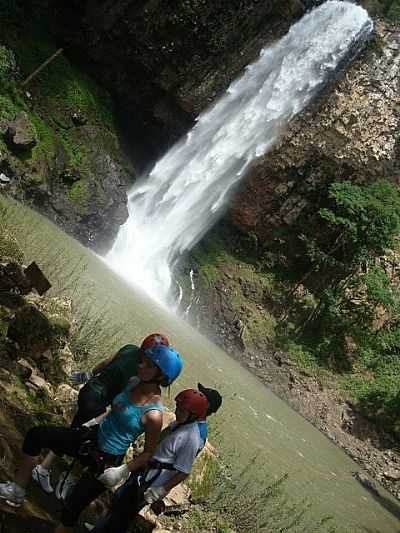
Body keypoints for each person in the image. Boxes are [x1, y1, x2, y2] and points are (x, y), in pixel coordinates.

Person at [0, 345, 183, 533]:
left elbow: (148, 453)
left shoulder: (154, 414)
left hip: (107, 461)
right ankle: (16, 491)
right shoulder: (133, 381)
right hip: (92, 437)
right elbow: (114, 410)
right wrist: (92, 422)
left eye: (149, 365)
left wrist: (122, 470)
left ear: (161, 376)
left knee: (70, 512)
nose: (141, 365)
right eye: (144, 361)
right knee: (36, 435)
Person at [32, 333, 169, 496]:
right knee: (81, 440)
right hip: (96, 402)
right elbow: (125, 398)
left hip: (89, 390)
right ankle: (49, 471)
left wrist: (86, 375)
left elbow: (106, 362)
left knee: (75, 433)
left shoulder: (129, 348)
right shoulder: (139, 374)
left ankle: (53, 470)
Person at [91, 385, 223, 533]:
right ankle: (100, 528)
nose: (176, 411)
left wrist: (159, 490)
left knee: (122, 515)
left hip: (151, 481)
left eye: (202, 395)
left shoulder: (194, 435)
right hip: (146, 471)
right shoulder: (184, 423)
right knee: (119, 504)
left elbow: (183, 469)